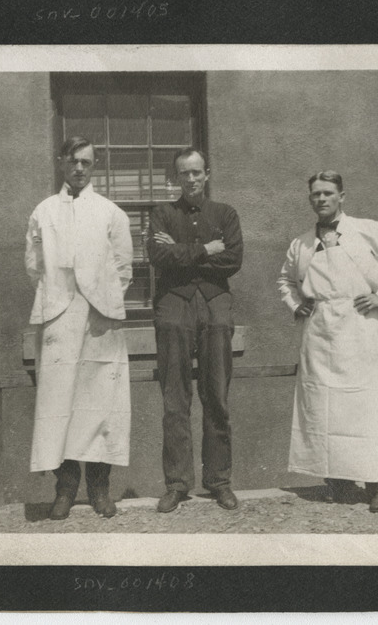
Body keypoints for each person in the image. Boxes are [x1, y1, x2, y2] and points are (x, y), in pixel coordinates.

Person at [279, 171, 378, 513]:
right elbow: (285, 280)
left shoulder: (369, 230)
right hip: (319, 330)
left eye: (328, 193)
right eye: (316, 194)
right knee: (323, 408)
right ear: (310, 199)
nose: (322, 199)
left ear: (342, 196)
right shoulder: (301, 244)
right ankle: (340, 482)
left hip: (359, 327)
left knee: (364, 408)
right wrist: (297, 304)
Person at [25, 136, 133, 521]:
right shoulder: (44, 211)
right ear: (61, 162)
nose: (79, 168)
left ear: (95, 165)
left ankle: (99, 489)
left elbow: (123, 268)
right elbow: (35, 265)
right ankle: (65, 489)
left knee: (101, 403)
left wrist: (101, 300)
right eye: (73, 161)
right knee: (59, 405)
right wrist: (59, 299)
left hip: (100, 320)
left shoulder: (110, 213)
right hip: (59, 318)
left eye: (86, 162)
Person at [146, 150, 242, 513]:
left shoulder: (225, 214)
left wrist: (183, 252)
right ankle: (177, 484)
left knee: (216, 394)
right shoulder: (162, 214)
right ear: (176, 178)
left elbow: (232, 259)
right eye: (183, 174)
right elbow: (158, 257)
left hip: (216, 303)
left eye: (196, 172)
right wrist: (205, 249)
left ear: (207, 175)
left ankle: (219, 481)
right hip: (173, 304)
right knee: (175, 398)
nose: (191, 179)